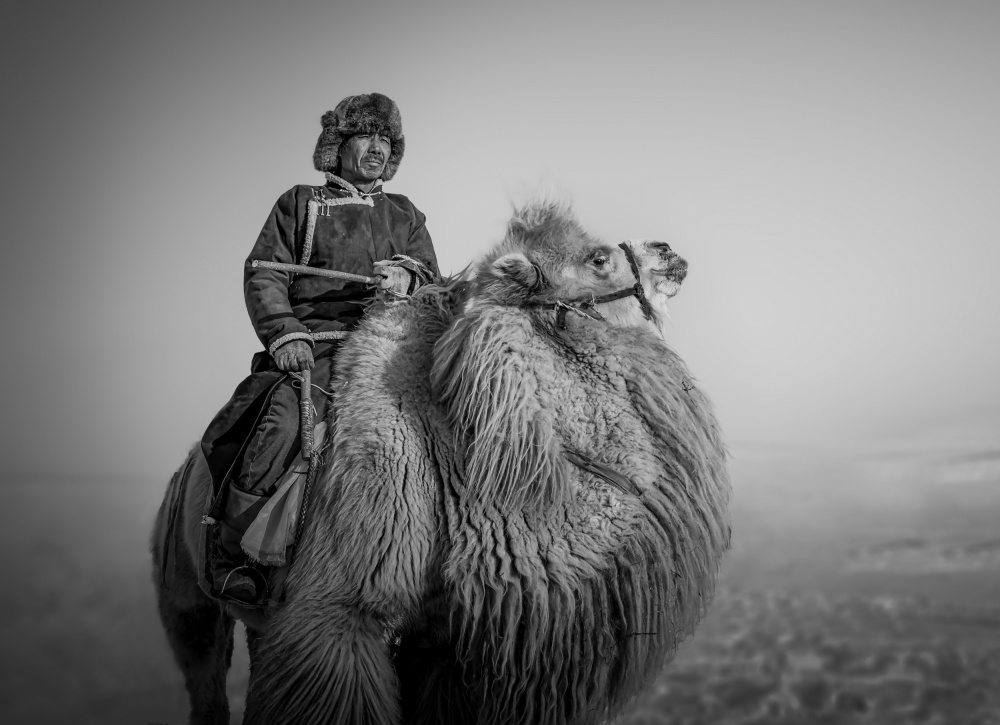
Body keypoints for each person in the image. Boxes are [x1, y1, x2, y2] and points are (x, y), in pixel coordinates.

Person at [199, 92, 439, 604]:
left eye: (385, 139)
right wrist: (285, 334)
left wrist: (407, 278)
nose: (376, 148)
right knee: (284, 423)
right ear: (339, 144)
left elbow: (433, 284)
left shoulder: (405, 214)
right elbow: (263, 274)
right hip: (314, 350)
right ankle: (237, 556)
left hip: (390, 351)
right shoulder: (299, 202)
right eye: (365, 136)